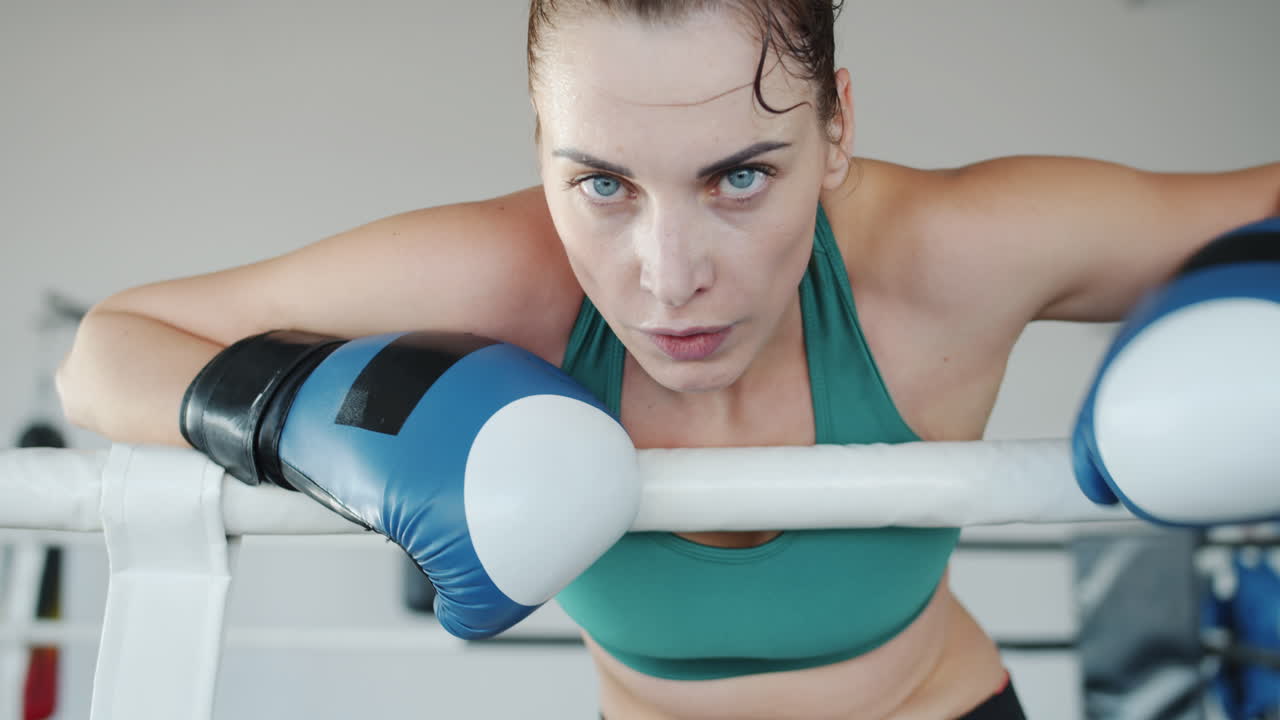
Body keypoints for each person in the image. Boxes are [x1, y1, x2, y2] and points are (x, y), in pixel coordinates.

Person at [55, 1, 1279, 718]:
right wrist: (313, 420)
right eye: (601, 183)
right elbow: (109, 350)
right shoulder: (507, 277)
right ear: (540, 147)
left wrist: (1239, 318)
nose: (667, 274)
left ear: (836, 129)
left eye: (738, 176)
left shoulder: (948, 255)